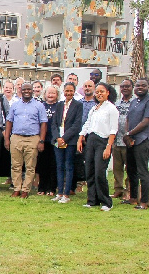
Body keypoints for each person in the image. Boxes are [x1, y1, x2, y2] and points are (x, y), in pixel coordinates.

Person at [77, 82, 118, 211]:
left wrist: (108, 146)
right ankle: (92, 200)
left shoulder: (111, 109)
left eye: (102, 91)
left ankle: (106, 202)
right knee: (90, 170)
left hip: (103, 142)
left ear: (108, 93)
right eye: (98, 92)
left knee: (100, 172)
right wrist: (80, 138)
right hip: (91, 140)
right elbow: (87, 124)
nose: (99, 94)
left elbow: (113, 129)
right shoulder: (94, 108)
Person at [4, 83, 47, 199]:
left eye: (29, 89)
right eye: (24, 89)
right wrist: (7, 139)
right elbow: (9, 122)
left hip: (33, 138)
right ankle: (17, 188)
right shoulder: (15, 105)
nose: (26, 91)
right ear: (20, 91)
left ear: (32, 91)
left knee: (30, 166)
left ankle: (25, 190)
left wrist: (41, 140)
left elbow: (43, 123)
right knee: (16, 165)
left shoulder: (39, 105)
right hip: (16, 137)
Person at [123, 78, 149, 210]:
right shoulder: (134, 101)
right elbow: (128, 119)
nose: (140, 87)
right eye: (138, 85)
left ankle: (144, 202)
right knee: (131, 170)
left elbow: (146, 121)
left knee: (142, 171)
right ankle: (133, 198)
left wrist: (130, 133)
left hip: (143, 140)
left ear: (148, 87)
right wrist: (128, 134)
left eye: (143, 85)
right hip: (131, 140)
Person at [50, 83, 83, 203]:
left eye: (71, 91)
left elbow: (77, 124)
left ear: (74, 91)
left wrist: (65, 137)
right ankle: (59, 192)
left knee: (68, 166)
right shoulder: (59, 105)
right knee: (59, 166)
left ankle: (66, 193)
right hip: (58, 140)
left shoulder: (78, 105)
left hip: (70, 141)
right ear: (63, 91)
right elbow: (54, 123)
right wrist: (57, 137)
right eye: (66, 91)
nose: (68, 93)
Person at [36, 85, 59, 197]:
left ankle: (52, 188)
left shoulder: (59, 106)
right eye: (48, 93)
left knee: (53, 164)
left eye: (53, 93)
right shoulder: (41, 106)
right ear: (44, 94)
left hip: (54, 139)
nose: (50, 95)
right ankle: (42, 187)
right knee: (42, 164)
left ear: (57, 95)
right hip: (42, 139)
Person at [112, 79, 133, 199]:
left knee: (129, 168)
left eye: (127, 86)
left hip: (128, 140)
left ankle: (128, 191)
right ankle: (118, 189)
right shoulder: (117, 103)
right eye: (122, 86)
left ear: (132, 87)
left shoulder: (135, 102)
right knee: (117, 168)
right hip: (116, 140)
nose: (125, 88)